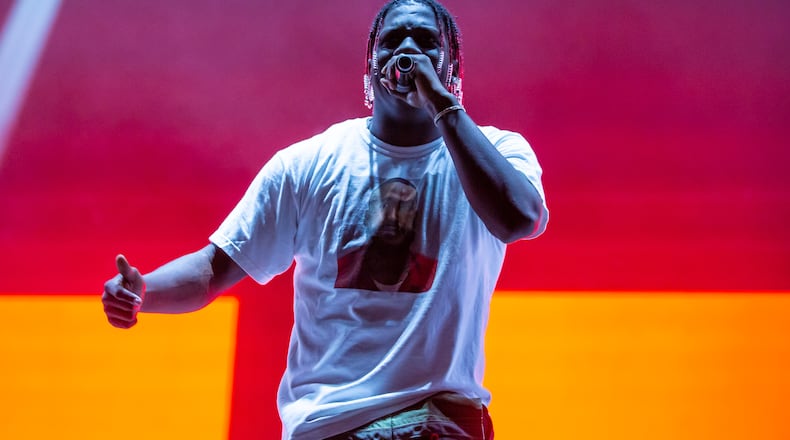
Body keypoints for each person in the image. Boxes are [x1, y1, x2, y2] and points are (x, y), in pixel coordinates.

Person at [101, 0, 549, 438]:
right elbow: (213, 269)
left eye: (426, 42)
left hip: (435, 419)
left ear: (452, 64)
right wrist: (145, 291)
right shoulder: (309, 163)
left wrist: (440, 103)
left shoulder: (496, 152)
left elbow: (517, 219)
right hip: (330, 424)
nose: (407, 51)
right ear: (371, 62)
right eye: (392, 40)